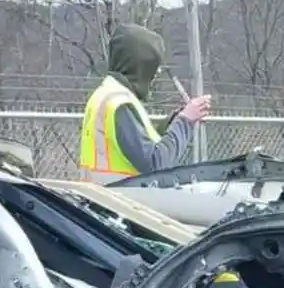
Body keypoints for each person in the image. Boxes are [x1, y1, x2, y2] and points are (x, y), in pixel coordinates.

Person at [78, 24, 211, 182]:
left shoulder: (107, 93)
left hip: (102, 197)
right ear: (140, 65)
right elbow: (155, 163)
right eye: (153, 66)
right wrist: (185, 121)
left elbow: (143, 144)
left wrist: (177, 118)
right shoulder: (119, 103)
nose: (157, 72)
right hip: (119, 200)